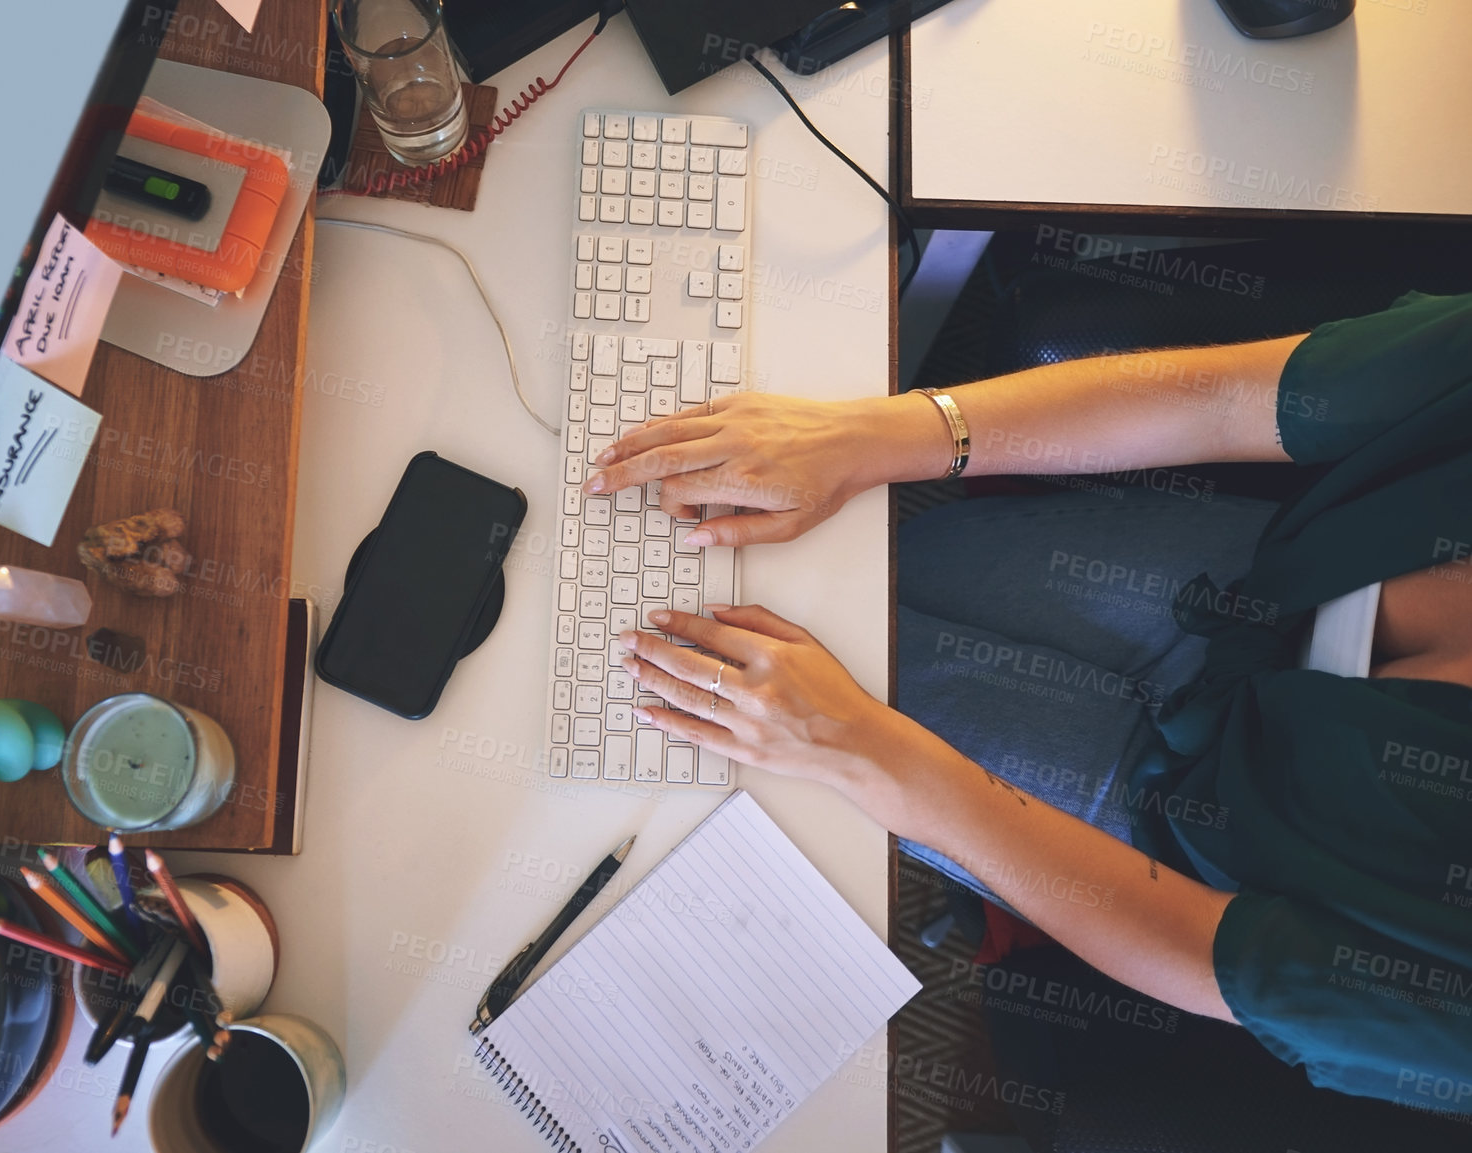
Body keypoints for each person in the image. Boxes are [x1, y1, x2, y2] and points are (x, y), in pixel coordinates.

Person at [587, 290, 1472, 1113]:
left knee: (747, 712)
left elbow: (1214, 952)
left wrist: (868, 748)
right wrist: (879, 435)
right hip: (1278, 581)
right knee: (893, 560)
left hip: (1208, 813)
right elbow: (1231, 397)